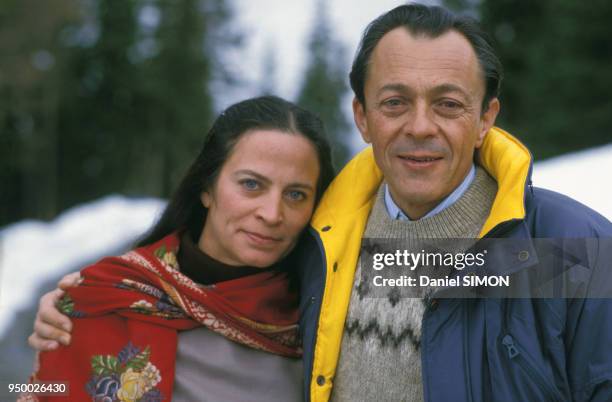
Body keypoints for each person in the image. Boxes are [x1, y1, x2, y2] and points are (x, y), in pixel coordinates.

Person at [30, 4, 612, 402]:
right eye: (393, 102)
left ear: (487, 118)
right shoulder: (322, 244)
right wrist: (86, 303)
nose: (419, 127)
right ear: (361, 116)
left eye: (449, 104)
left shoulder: (571, 248)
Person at [23, 95, 335, 402]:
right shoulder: (107, 295)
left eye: (295, 194)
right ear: (207, 187)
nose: (271, 214)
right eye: (251, 185)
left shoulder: (325, 313)